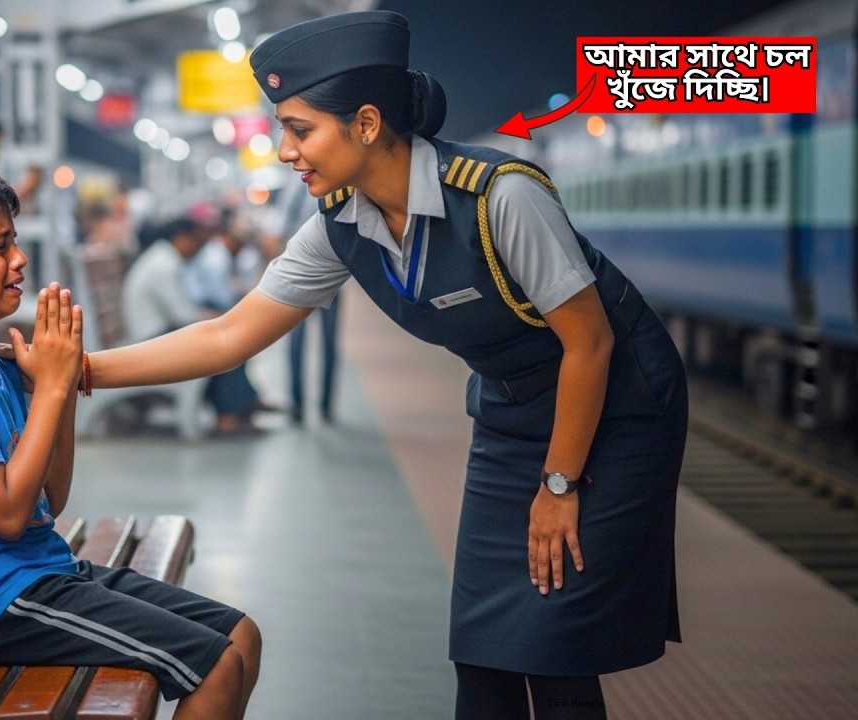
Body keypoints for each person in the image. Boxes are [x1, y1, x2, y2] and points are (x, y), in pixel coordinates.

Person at [79, 11, 686, 720]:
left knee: (555, 646)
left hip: (614, 410)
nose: (284, 151)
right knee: (484, 646)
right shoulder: (341, 226)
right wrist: (80, 370)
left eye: (299, 129)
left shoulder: (499, 198)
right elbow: (228, 335)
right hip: (511, 409)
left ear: (366, 123)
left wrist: (559, 485)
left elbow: (592, 344)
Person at [0, 162, 260, 720]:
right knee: (216, 663)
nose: (19, 260)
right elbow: (7, 516)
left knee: (241, 636)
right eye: (0, 247)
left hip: (38, 574)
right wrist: (51, 387)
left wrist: (61, 387)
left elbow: (51, 498)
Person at [124, 215, 261, 435]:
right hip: (152, 337)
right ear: (181, 238)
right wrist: (214, 317)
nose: (197, 249)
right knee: (223, 343)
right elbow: (183, 315)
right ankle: (231, 414)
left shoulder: (163, 257)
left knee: (226, 337)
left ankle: (243, 404)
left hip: (156, 332)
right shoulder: (164, 265)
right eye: (195, 242)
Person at [276, 181, 340, 425]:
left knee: (329, 345)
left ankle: (325, 406)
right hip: (300, 279)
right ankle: (297, 405)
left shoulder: (341, 183)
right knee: (296, 343)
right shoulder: (297, 187)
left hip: (334, 281)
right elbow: (282, 227)